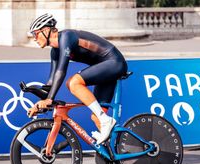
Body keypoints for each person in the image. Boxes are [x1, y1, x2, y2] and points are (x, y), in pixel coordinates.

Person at [27, 13, 128, 146]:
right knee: (96, 117)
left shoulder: (66, 37)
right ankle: (120, 151)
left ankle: (106, 120)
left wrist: (49, 99)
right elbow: (50, 83)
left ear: (46, 30)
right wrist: (40, 102)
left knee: (73, 83)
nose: (34, 38)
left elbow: (61, 71)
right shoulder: (54, 51)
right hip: (104, 69)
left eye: (36, 34)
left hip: (114, 63)